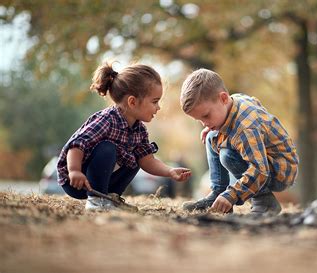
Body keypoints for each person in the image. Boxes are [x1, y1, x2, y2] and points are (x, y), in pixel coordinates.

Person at [56, 62, 191, 211]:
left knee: (136, 157)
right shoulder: (107, 120)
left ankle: (110, 198)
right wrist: (74, 170)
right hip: (76, 180)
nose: (158, 107)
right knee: (107, 148)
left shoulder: (139, 130)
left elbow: (148, 160)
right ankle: (96, 201)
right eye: (155, 101)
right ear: (132, 102)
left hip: (100, 183)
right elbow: (77, 145)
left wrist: (170, 171)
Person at [180, 68, 298, 216]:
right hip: (263, 162)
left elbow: (260, 170)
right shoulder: (233, 101)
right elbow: (255, 102)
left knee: (227, 155)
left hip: (279, 170)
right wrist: (211, 125)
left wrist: (232, 195)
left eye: (206, 116)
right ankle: (218, 193)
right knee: (212, 137)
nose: (204, 123)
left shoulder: (246, 128)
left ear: (223, 98)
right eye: (200, 120)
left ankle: (265, 202)